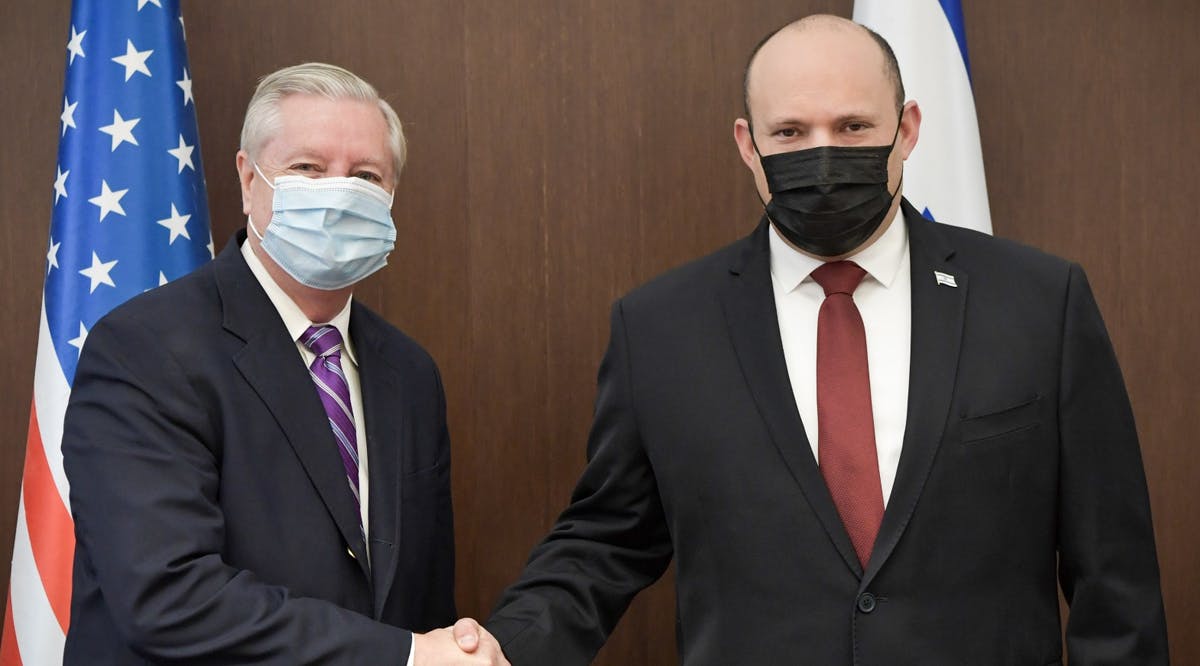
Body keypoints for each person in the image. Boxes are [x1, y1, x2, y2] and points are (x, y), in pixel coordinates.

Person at [483, 15, 1169, 665]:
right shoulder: (661, 327)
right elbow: (606, 541)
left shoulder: (1038, 303)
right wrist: (500, 650)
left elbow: (1114, 576)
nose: (824, 156)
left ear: (907, 130)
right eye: (790, 133)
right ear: (748, 145)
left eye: (852, 126)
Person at [62, 63, 505, 665]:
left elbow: (420, 599)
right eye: (308, 169)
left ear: (391, 197)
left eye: (366, 175)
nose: (338, 191)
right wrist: (401, 657)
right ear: (249, 179)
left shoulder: (410, 373)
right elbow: (169, 597)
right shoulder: (143, 350)